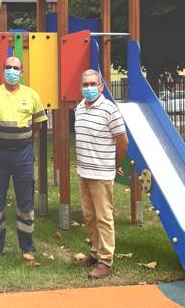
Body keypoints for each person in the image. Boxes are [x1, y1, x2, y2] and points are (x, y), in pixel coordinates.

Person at [0, 56, 47, 260]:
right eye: (8, 67)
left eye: (16, 68)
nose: (11, 71)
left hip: (23, 155)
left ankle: (27, 247)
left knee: (25, 200)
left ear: (22, 72)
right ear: (2, 70)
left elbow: (38, 124)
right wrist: (1, 136)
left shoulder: (32, 95)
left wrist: (22, 138)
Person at [74, 69, 128, 278]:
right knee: (89, 216)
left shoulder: (109, 110)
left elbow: (122, 141)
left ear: (101, 87)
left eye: (92, 84)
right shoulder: (79, 108)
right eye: (85, 84)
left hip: (101, 174)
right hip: (83, 172)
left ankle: (106, 261)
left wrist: (114, 163)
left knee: (103, 217)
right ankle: (95, 253)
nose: (88, 88)